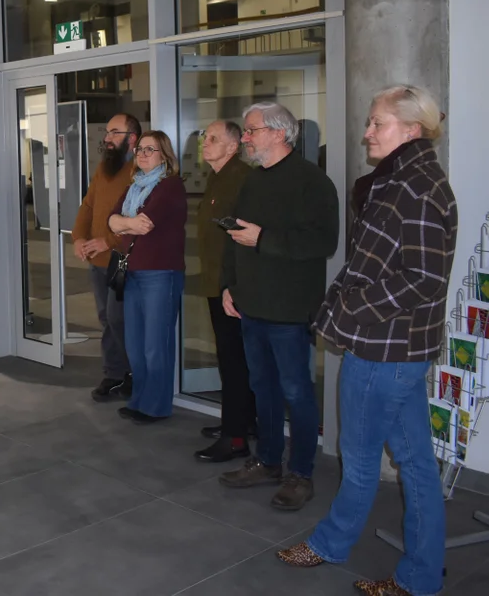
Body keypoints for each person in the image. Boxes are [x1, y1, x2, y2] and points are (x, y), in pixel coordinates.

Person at [278, 86, 456, 596]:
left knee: (358, 461)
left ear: (412, 129)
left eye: (378, 123)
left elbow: (424, 278)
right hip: (397, 349)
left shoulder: (416, 187)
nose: (367, 133)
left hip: (384, 348)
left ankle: (330, 544)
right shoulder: (402, 181)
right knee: (416, 465)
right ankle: (420, 577)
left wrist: (357, 308)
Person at [218, 102, 339, 511]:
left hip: (289, 310)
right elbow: (236, 236)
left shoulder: (312, 182)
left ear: (279, 132)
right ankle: (268, 461)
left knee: (297, 392)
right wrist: (229, 286)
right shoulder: (252, 181)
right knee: (263, 389)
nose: (245, 138)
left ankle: (300, 473)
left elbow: (323, 242)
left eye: (251, 130)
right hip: (250, 304)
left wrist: (263, 238)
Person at [106, 131, 187, 424]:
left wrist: (123, 223)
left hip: (160, 274)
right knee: (136, 344)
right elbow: (111, 221)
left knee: (155, 345)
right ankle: (139, 399)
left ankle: (156, 406)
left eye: (150, 149)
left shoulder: (170, 186)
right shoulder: (135, 186)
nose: (142, 154)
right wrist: (125, 223)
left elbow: (145, 225)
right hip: (133, 273)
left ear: (164, 155)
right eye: (140, 149)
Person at [194, 121, 256, 463]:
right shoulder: (218, 177)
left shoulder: (241, 179)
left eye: (214, 138)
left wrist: (234, 285)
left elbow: (244, 238)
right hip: (217, 281)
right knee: (232, 358)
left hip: (231, 286)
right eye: (206, 137)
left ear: (233, 146)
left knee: (234, 361)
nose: (206, 142)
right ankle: (241, 421)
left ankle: (235, 438)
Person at [71, 113, 141, 402]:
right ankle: (114, 373)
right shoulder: (105, 168)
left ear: (132, 138)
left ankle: (134, 374)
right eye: (107, 132)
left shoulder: (140, 170)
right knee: (106, 319)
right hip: (98, 260)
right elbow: (88, 205)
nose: (107, 138)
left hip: (123, 259)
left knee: (118, 318)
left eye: (114, 132)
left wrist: (107, 241)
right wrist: (78, 237)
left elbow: (138, 220)